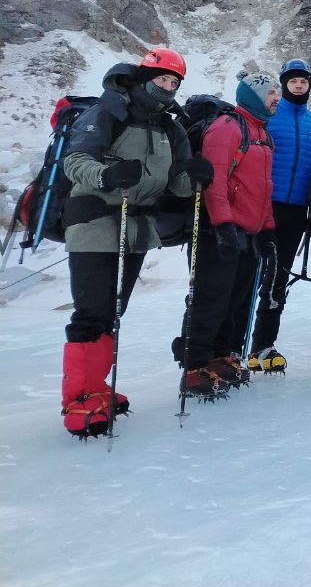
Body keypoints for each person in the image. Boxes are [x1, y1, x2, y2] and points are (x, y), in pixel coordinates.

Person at [58, 48, 210, 437]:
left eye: (174, 82)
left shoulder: (172, 128)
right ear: (145, 76)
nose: (167, 87)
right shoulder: (109, 112)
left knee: (113, 310)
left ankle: (97, 387)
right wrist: (108, 175)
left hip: (137, 226)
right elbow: (75, 161)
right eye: (162, 79)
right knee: (91, 311)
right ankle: (78, 397)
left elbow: (172, 182)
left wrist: (192, 178)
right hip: (94, 220)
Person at [173, 71, 278, 398]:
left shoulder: (261, 132)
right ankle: (194, 366)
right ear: (255, 96)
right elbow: (214, 182)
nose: (277, 97)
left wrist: (269, 229)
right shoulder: (227, 128)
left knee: (235, 299)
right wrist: (222, 225)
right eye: (272, 92)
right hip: (217, 231)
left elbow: (263, 189)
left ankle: (218, 357)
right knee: (210, 298)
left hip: (248, 231)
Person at [249, 57, 311, 373]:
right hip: (262, 207)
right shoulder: (268, 116)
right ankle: (230, 345)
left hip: (296, 211)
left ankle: (264, 345)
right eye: (293, 80)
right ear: (283, 84)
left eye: (303, 81)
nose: (298, 85)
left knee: (277, 278)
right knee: (249, 275)